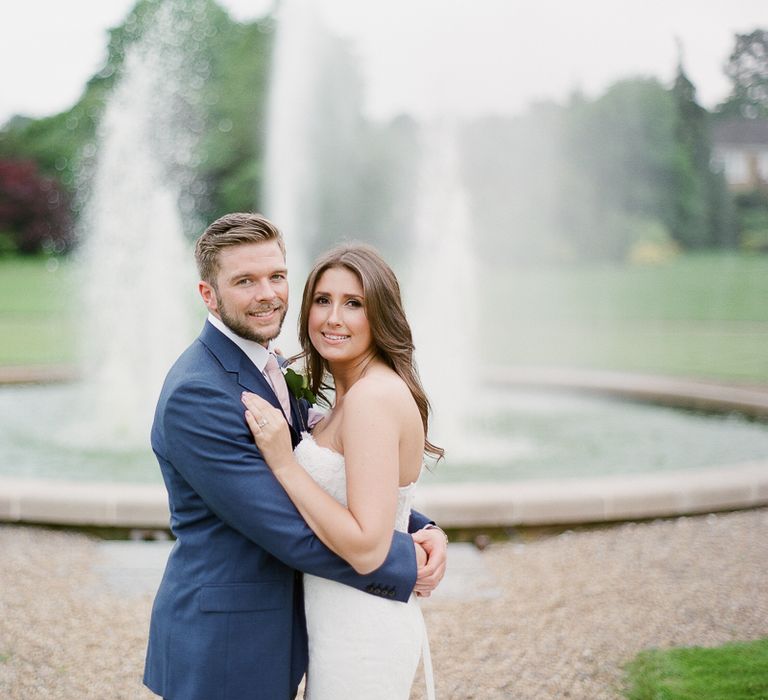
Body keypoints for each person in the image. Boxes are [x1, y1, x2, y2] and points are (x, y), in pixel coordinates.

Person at [143, 212, 447, 700]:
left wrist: (416, 524)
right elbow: (289, 529)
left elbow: (327, 473)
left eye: (277, 276)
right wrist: (404, 560)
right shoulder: (198, 394)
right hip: (227, 642)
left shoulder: (271, 365)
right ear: (208, 294)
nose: (267, 294)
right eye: (245, 280)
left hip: (296, 626)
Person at [241, 242, 444, 699]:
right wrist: (427, 527)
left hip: (361, 628)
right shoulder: (354, 395)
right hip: (338, 617)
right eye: (322, 300)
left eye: (354, 304)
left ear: (382, 314)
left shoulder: (372, 399)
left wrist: (284, 462)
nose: (333, 318)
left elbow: (368, 549)